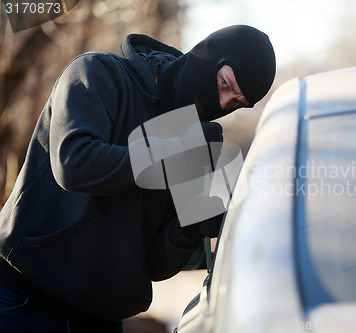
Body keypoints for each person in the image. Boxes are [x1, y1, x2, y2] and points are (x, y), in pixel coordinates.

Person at [0, 25, 276, 332]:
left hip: (100, 320)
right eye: (225, 84)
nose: (224, 104)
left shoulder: (194, 139)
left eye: (236, 103)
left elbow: (157, 264)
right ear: (207, 56)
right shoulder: (98, 73)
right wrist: (174, 150)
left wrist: (189, 230)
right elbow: (74, 164)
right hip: (21, 298)